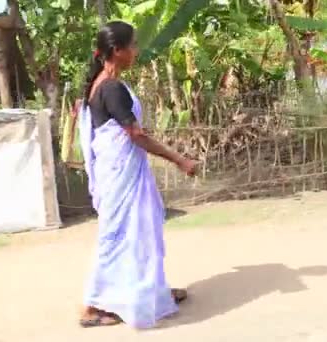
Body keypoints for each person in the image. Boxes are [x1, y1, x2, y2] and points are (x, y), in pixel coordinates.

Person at [78, 21, 198, 329]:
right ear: (116, 51)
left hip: (120, 172)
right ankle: (91, 306)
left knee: (142, 231)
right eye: (132, 46)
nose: (136, 51)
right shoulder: (111, 87)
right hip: (120, 176)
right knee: (117, 237)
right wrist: (179, 159)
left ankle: (153, 291)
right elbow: (136, 136)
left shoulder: (103, 84)